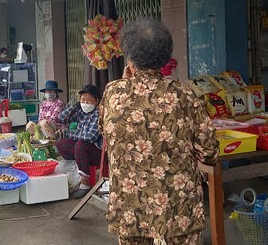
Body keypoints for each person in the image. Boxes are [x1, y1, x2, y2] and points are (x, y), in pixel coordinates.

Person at [98, 17, 219, 245]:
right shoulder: (184, 95)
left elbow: (106, 133)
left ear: (130, 56)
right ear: (165, 55)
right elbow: (209, 152)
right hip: (178, 211)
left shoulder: (113, 93)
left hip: (131, 210)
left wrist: (124, 84)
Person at [56, 84, 103, 199]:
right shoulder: (79, 112)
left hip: (96, 152)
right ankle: (76, 168)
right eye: (83, 100)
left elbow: (89, 137)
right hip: (81, 149)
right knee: (61, 143)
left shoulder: (97, 114)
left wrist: (73, 134)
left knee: (80, 144)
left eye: (89, 100)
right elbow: (60, 119)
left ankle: (85, 183)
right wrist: (74, 107)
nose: (85, 103)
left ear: (96, 101)